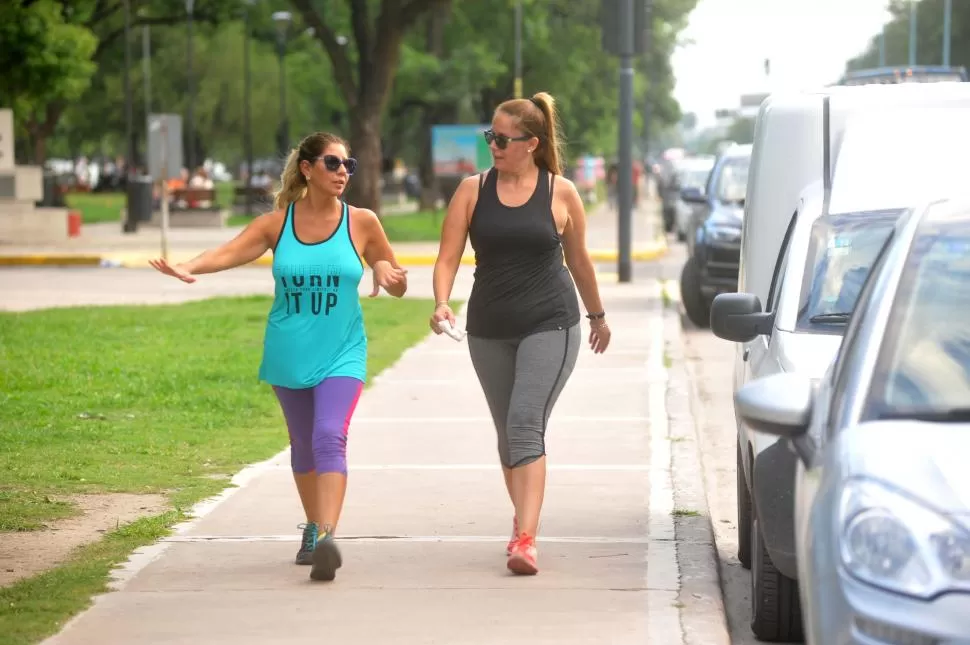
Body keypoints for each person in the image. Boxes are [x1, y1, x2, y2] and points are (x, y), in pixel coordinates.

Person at [149, 132, 408, 582]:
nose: (343, 171)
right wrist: (188, 267)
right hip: (289, 352)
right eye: (333, 162)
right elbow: (230, 251)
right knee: (304, 443)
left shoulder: (363, 222)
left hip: (343, 351)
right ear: (307, 168)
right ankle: (312, 526)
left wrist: (386, 270)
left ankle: (327, 536)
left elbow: (396, 279)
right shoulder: (277, 224)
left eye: (349, 164)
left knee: (330, 434)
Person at [430, 92, 612, 576]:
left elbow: (579, 261)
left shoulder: (560, 192)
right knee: (508, 435)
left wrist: (597, 315)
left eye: (502, 138)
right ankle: (523, 520)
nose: (492, 144)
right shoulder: (473, 189)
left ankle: (525, 539)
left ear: (530, 143)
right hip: (488, 328)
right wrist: (442, 301)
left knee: (525, 422)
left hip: (550, 323)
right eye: (489, 136)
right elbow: (448, 255)